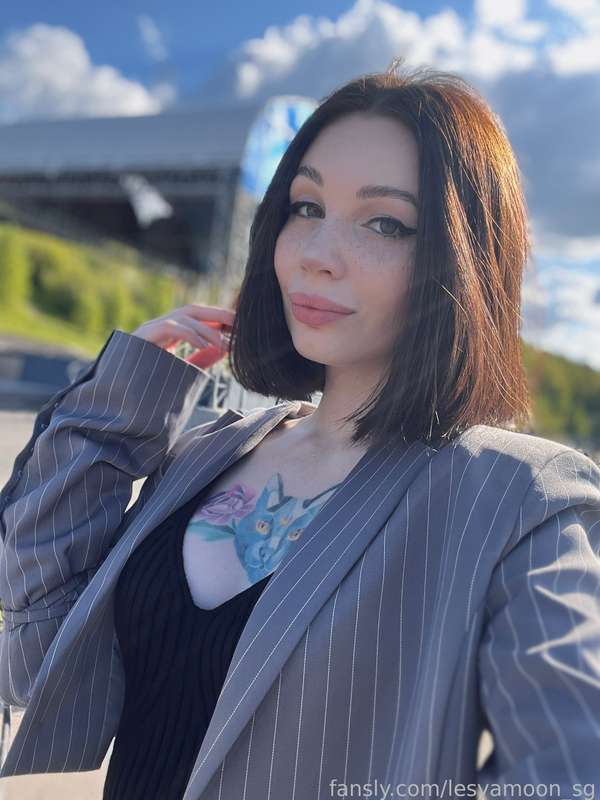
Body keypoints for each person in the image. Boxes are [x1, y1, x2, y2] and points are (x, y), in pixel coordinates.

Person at [0, 59, 599, 799]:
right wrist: (118, 407)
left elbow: (569, 767)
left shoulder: (517, 499)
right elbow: (37, 655)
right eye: (306, 207)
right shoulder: (208, 454)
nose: (316, 256)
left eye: (385, 223)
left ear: (463, 259)